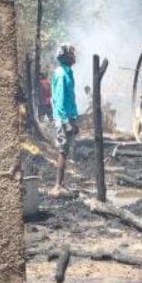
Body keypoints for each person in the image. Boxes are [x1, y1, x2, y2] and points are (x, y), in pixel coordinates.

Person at [50, 44, 79, 195]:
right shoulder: (61, 74)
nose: (74, 56)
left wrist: (74, 120)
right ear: (64, 56)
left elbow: (70, 99)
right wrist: (66, 121)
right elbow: (59, 100)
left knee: (66, 151)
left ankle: (62, 184)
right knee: (63, 149)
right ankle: (57, 186)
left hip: (68, 116)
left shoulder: (68, 72)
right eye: (71, 54)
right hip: (63, 118)